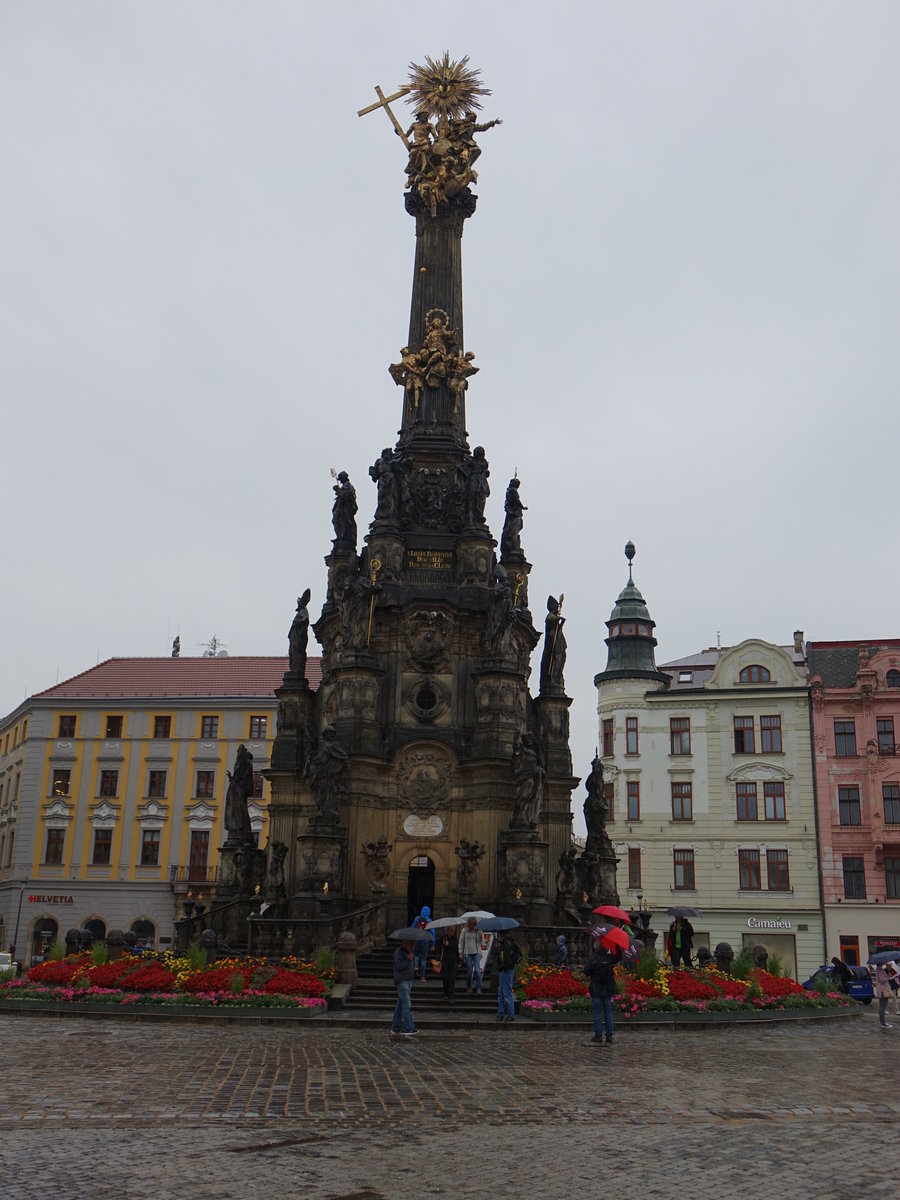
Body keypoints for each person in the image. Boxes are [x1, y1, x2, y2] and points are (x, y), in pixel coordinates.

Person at [584, 936, 623, 1044]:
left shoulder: (592, 958)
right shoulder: (609, 958)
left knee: (597, 1012)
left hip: (596, 989)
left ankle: (598, 1036)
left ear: (596, 947)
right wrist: (616, 944)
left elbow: (586, 971)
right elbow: (619, 957)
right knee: (608, 1012)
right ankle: (609, 1035)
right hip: (608, 989)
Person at [391, 939, 418, 1037]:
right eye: (412, 943)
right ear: (406, 943)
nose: (413, 945)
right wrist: (408, 959)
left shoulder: (408, 952)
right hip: (402, 981)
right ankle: (409, 1027)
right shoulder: (399, 952)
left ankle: (395, 1027)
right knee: (407, 1004)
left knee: (400, 1005)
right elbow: (399, 966)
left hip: (408, 980)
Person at [494, 929, 522, 1021]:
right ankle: (501, 1012)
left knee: (507, 993)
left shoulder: (506, 944)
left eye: (498, 934)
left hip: (506, 970)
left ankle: (510, 1014)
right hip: (505, 970)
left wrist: (503, 966)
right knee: (501, 993)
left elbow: (505, 959)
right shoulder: (505, 943)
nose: (497, 936)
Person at [459, 917, 483, 994]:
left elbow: (482, 942)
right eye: (471, 925)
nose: (472, 927)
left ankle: (478, 987)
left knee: (477, 970)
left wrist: (481, 937)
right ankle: (469, 986)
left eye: (473, 925)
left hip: (476, 952)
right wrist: (460, 952)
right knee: (469, 971)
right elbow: (461, 941)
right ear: (468, 924)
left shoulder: (478, 930)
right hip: (467, 952)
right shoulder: (464, 931)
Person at [411, 906, 434, 981]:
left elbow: (412, 927)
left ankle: (416, 967)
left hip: (417, 940)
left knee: (416, 955)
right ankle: (422, 977)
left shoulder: (417, 918)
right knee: (424, 959)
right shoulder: (429, 920)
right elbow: (433, 932)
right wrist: (433, 943)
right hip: (425, 941)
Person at [437, 930, 459, 1002]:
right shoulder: (443, 938)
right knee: (445, 977)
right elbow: (438, 948)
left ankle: (451, 995)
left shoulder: (454, 939)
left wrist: (458, 961)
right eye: (450, 931)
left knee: (452, 978)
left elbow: (456, 950)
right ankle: (446, 994)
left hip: (453, 961)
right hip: (445, 960)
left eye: (452, 931)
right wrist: (443, 944)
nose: (451, 933)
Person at [874, 963, 894, 1030]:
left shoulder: (880, 969)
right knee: (882, 1007)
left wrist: (888, 973)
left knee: (883, 1006)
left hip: (883, 990)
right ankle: (883, 1023)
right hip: (883, 991)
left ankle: (883, 1022)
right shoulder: (879, 970)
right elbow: (882, 980)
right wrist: (888, 977)